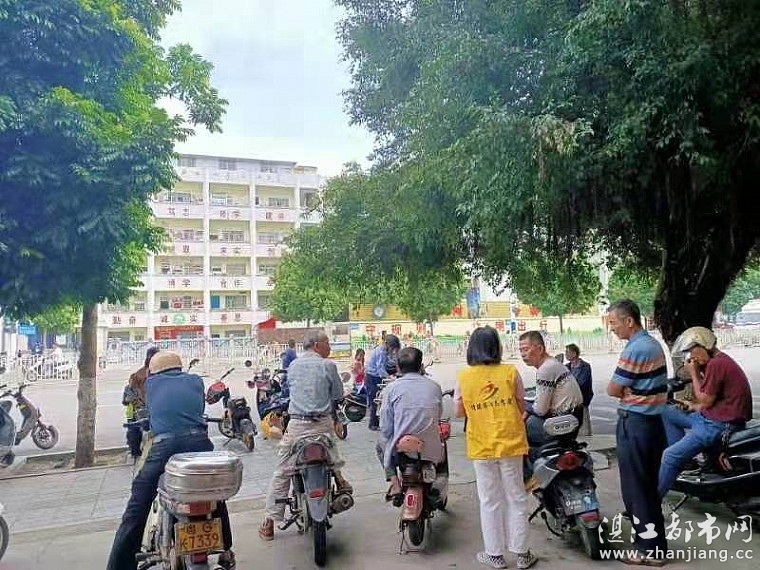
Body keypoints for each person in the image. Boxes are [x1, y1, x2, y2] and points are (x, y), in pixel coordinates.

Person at [106, 351, 235, 570]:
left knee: (136, 508)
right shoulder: (195, 381)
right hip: (200, 443)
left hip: (165, 447)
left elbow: (151, 412)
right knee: (211, 493)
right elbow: (197, 408)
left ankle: (120, 566)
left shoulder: (151, 384)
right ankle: (226, 549)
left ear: (154, 370)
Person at [454, 326, 537, 570]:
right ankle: (522, 554)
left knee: (489, 500)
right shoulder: (510, 372)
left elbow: (459, 412)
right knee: (516, 497)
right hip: (511, 443)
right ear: (496, 347)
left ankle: (495, 555)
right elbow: (521, 405)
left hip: (482, 445)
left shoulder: (464, 377)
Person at [258, 330, 353, 541]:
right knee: (333, 457)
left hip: (297, 426)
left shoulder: (293, 366)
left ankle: (269, 523)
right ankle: (340, 480)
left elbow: (288, 392)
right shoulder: (328, 365)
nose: (330, 346)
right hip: (322, 425)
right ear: (317, 345)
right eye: (327, 342)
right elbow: (337, 395)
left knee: (282, 472)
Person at [606, 299, 668, 566]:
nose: (612, 328)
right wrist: (628, 389)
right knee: (647, 487)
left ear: (629, 321)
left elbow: (612, 389)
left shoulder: (636, 348)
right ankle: (655, 546)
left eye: (613, 323)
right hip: (652, 424)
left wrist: (625, 391)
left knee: (636, 489)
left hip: (635, 424)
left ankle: (648, 550)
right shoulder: (652, 344)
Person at [657, 326, 753, 499]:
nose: (691, 357)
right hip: (712, 416)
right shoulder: (717, 362)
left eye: (692, 351)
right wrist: (692, 406)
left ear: (704, 346)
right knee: (666, 411)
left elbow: (705, 400)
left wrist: (694, 373)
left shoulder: (717, 365)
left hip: (720, 425)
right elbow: (711, 399)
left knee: (669, 455)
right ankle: (686, 462)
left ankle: (650, 505)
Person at [376, 347, 445, 504]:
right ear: (421, 366)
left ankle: (395, 484)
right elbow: (438, 415)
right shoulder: (434, 387)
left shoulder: (391, 389)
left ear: (398, 367)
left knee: (380, 445)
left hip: (402, 450)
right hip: (430, 450)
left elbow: (385, 427)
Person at [518, 331, 583, 481]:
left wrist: (527, 409)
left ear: (540, 349)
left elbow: (540, 409)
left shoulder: (545, 369)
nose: (523, 354)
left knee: (517, 432)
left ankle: (528, 477)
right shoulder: (553, 364)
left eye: (526, 349)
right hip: (572, 418)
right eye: (521, 350)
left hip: (559, 422)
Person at [122, 348, 159, 460]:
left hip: (142, 409)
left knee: (134, 428)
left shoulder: (139, 374)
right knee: (134, 428)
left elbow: (128, 396)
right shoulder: (143, 374)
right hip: (145, 409)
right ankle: (135, 451)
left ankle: (135, 452)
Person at [364, 333, 401, 431]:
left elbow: (390, 362)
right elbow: (380, 368)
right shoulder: (380, 352)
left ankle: (378, 422)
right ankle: (373, 424)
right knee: (375, 400)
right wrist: (390, 377)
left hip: (377, 376)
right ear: (388, 345)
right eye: (393, 348)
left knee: (380, 398)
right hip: (372, 377)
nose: (393, 351)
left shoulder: (386, 352)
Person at [565, 344, 594, 436]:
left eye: (568, 352)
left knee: (583, 426)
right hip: (569, 402)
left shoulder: (585, 366)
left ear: (574, 353)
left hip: (581, 400)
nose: (566, 354)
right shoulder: (566, 367)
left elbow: (582, 383)